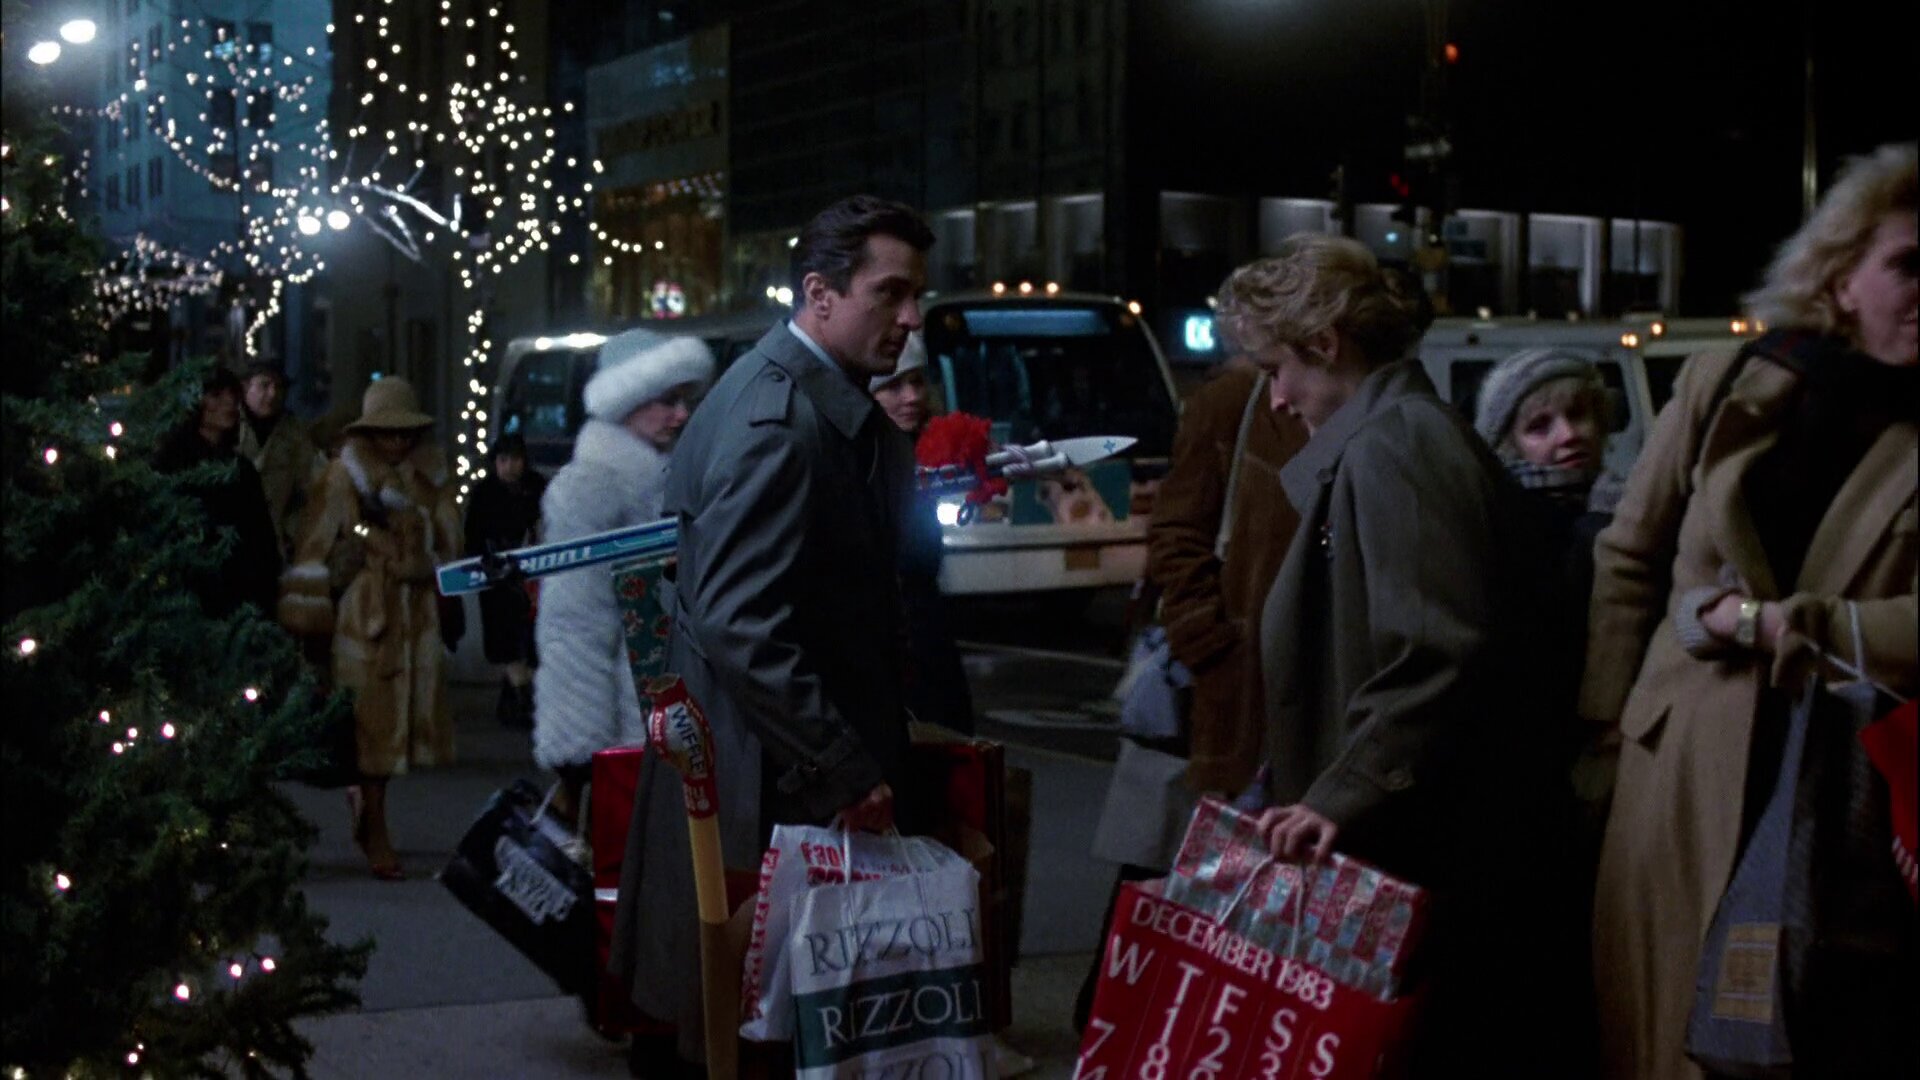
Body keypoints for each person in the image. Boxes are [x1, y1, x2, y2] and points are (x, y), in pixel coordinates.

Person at [1583, 142, 1917, 1078]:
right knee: (1659, 1024)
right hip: (1681, 770)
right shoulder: (1727, 381)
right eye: (1909, 264)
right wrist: (1605, 733)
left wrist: (1790, 628)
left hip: (1844, 801)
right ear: (1842, 278)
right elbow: (1629, 557)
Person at [1218, 236, 1588, 1069]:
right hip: (1431, 839)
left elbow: (1434, 644)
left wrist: (1340, 795)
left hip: (1431, 850)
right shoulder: (1391, 439)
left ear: (1325, 344)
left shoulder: (1398, 444)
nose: (1277, 398)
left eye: (1278, 369)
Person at [609, 194, 933, 1071]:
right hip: (774, 791)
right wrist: (844, 767)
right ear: (820, 294)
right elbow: (739, 620)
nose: (910, 318)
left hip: (769, 777)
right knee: (764, 1038)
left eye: (917, 296)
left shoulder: (794, 399)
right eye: (890, 293)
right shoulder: (780, 422)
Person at [1072, 345, 1309, 1033]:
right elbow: (1178, 535)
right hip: (1215, 694)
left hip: (1265, 690)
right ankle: (1121, 1026)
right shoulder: (1236, 401)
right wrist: (1212, 646)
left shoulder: (1332, 403)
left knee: (1223, 883)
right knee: (1165, 874)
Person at [279, 376, 462, 881]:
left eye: (405, 431)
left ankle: (371, 810)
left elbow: (451, 543)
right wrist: (312, 621)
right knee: (369, 727)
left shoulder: (430, 476)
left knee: (396, 728)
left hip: (414, 614)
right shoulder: (343, 476)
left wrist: (428, 553)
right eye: (386, 431)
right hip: (366, 616)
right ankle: (374, 823)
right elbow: (313, 547)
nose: (396, 441)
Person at [532, 331, 713, 827]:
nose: (681, 414)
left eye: (685, 400)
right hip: (626, 720)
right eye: (667, 401)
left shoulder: (663, 477)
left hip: (663, 709)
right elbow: (574, 621)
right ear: (627, 400)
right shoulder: (591, 485)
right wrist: (581, 742)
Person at [870, 331, 975, 734]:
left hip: (929, 643)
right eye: (893, 386)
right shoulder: (859, 462)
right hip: (883, 650)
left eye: (916, 381)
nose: (911, 396)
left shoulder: (926, 456)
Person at [155, 365, 282, 617]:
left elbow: (261, 538)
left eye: (232, 395)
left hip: (242, 597)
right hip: (190, 598)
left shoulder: (240, 469)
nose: (229, 403)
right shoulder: (172, 464)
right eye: (216, 395)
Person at [463, 432, 548, 729]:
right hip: (497, 580)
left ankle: (517, 699)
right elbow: (472, 537)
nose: (510, 466)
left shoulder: (537, 488)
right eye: (503, 460)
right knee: (506, 642)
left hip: (533, 578)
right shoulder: (484, 494)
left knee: (531, 642)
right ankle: (521, 701)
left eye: (515, 459)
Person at [235, 359, 327, 561]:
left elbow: (309, 489)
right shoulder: (230, 426)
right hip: (230, 539)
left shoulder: (294, 434)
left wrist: (291, 532)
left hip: (273, 544)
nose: (272, 394)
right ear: (245, 387)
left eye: (279, 387)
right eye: (264, 385)